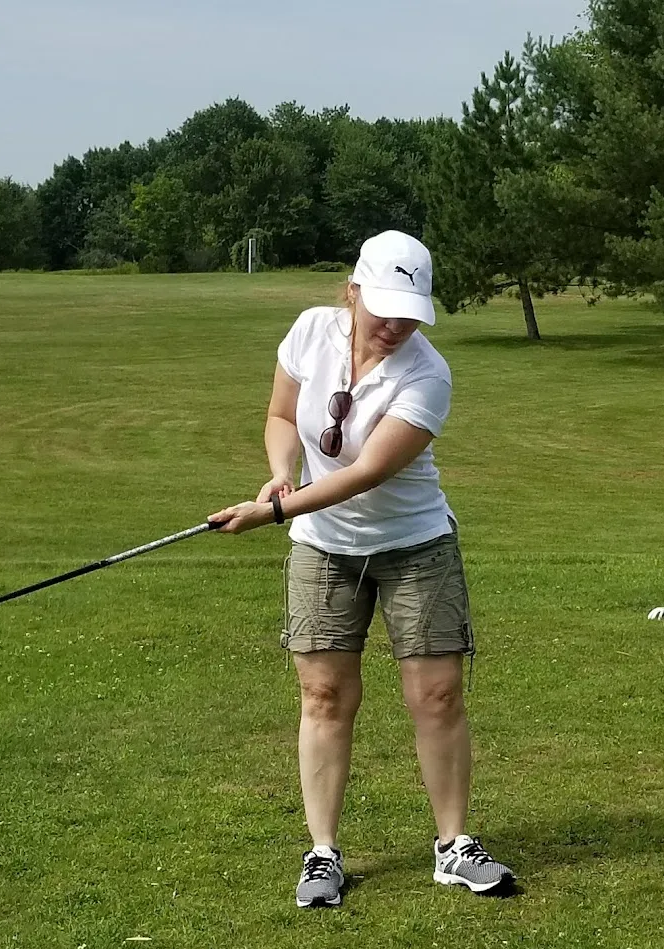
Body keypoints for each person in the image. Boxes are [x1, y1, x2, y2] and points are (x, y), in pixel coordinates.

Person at [209, 230, 514, 908]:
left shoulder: (427, 374)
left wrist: (274, 512)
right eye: (384, 308)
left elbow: (367, 471)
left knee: (437, 695)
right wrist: (280, 474)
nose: (397, 325)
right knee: (324, 694)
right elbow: (281, 413)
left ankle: (454, 846)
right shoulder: (310, 331)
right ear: (352, 292)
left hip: (415, 544)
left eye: (410, 313)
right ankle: (323, 853)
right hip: (323, 547)